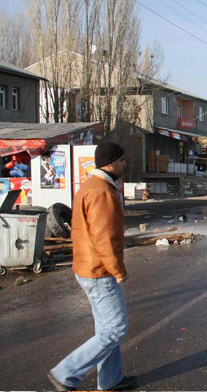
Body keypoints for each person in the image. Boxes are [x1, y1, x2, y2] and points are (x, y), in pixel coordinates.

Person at [48, 143, 137, 392]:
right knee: (116, 329)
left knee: (106, 328)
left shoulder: (90, 186)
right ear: (110, 163)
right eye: (122, 161)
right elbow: (104, 237)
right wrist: (118, 270)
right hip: (99, 270)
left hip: (87, 266)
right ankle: (65, 373)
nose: (125, 165)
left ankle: (111, 380)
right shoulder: (102, 192)